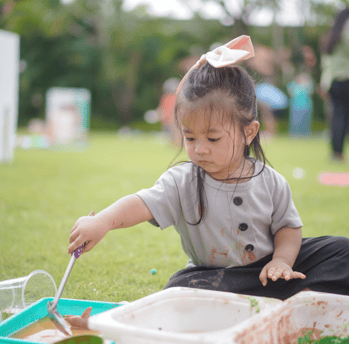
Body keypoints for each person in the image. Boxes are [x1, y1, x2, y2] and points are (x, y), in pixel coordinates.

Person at [68, 36, 349, 305]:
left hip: (271, 273)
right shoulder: (181, 181)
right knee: (180, 291)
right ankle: (291, 297)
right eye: (190, 138)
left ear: (249, 132)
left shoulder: (271, 181)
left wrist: (282, 261)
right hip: (216, 278)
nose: (200, 148)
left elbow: (288, 227)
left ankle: (291, 293)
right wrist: (103, 221)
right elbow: (141, 204)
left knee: (342, 252)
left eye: (213, 138)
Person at [320, 8, 349, 162]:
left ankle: (336, 153)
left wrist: (324, 83)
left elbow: (326, 63)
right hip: (346, 78)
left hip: (333, 81)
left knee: (337, 117)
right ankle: (338, 153)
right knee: (342, 118)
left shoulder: (332, 35)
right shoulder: (347, 30)